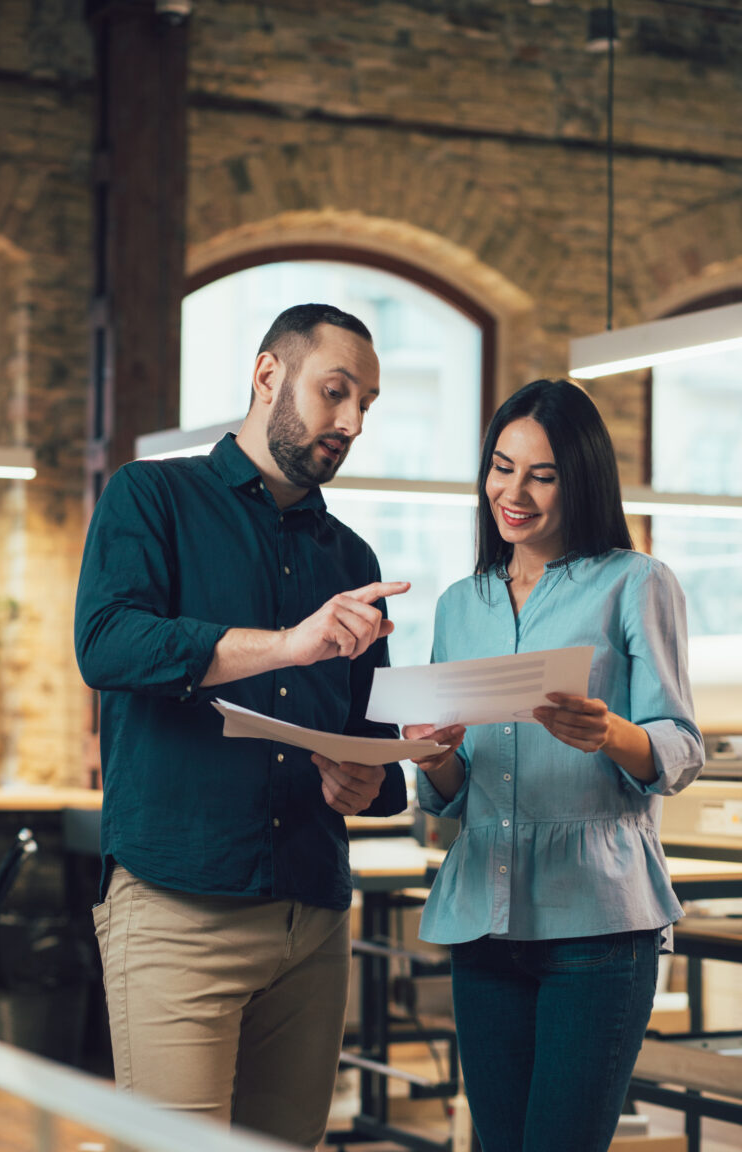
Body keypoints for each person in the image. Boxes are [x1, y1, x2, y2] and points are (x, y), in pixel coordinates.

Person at [74, 303, 410, 1146]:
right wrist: (288, 646)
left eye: (366, 403)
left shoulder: (353, 559)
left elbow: (377, 733)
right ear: (268, 377)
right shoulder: (150, 496)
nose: (351, 421)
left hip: (314, 920)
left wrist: (372, 780)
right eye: (335, 392)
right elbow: (108, 643)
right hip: (179, 912)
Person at [404, 378, 704, 1152]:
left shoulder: (635, 583)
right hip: (483, 924)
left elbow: (679, 745)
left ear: (582, 479)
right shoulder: (456, 604)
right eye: (502, 468)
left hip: (599, 927)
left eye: (543, 475)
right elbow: (451, 790)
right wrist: (432, 757)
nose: (515, 493)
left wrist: (610, 734)